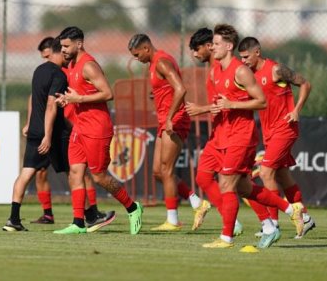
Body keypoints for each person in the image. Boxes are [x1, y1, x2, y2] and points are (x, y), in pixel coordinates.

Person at [201, 24, 303, 249]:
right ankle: (284, 215)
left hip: (242, 135)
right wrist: (208, 108)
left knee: (227, 183)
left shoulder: (241, 70)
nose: (212, 47)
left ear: (228, 46)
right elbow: (223, 103)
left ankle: (226, 238)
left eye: (216, 44)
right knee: (244, 188)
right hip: (227, 135)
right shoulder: (216, 70)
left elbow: (261, 101)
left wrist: (232, 104)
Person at [53, 26, 143, 235]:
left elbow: (108, 93)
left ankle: (132, 207)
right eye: (62, 46)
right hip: (80, 128)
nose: (63, 50)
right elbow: (80, 95)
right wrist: (68, 99)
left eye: (66, 46)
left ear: (79, 44)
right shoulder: (72, 65)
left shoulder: (89, 66)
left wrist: (79, 99)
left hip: (97, 128)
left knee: (100, 177)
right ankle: (78, 223)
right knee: (75, 173)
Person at [23, 37, 110, 227]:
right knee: (44, 173)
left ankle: (92, 212)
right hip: (52, 126)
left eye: (48, 55)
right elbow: (36, 97)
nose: (47, 59)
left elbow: (102, 93)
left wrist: (75, 101)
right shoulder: (51, 71)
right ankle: (52, 214)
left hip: (70, 125)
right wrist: (30, 121)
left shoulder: (68, 69)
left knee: (81, 172)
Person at [127, 34, 208, 231]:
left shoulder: (161, 61)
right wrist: (158, 93)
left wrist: (171, 117)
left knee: (166, 170)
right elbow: (169, 88)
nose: (137, 59)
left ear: (147, 48)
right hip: (165, 119)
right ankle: (197, 203)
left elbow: (181, 89)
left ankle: (173, 220)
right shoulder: (154, 63)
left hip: (175, 120)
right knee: (157, 172)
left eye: (137, 55)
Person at [237, 36, 315, 238]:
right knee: (281, 175)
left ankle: (272, 225)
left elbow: (306, 84)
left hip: (285, 128)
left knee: (265, 173)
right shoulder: (250, 76)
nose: (243, 61)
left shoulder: (276, 70)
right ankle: (305, 218)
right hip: (269, 133)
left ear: (257, 52)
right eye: (241, 58)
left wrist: (297, 109)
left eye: (246, 57)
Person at [185, 28, 244, 235]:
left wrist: (201, 109)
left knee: (242, 186)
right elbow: (219, 104)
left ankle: (272, 220)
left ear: (208, 46)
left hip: (233, 133)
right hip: (219, 132)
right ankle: (271, 220)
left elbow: (227, 103)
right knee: (203, 178)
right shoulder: (213, 70)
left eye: (196, 49)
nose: (194, 54)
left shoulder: (225, 67)